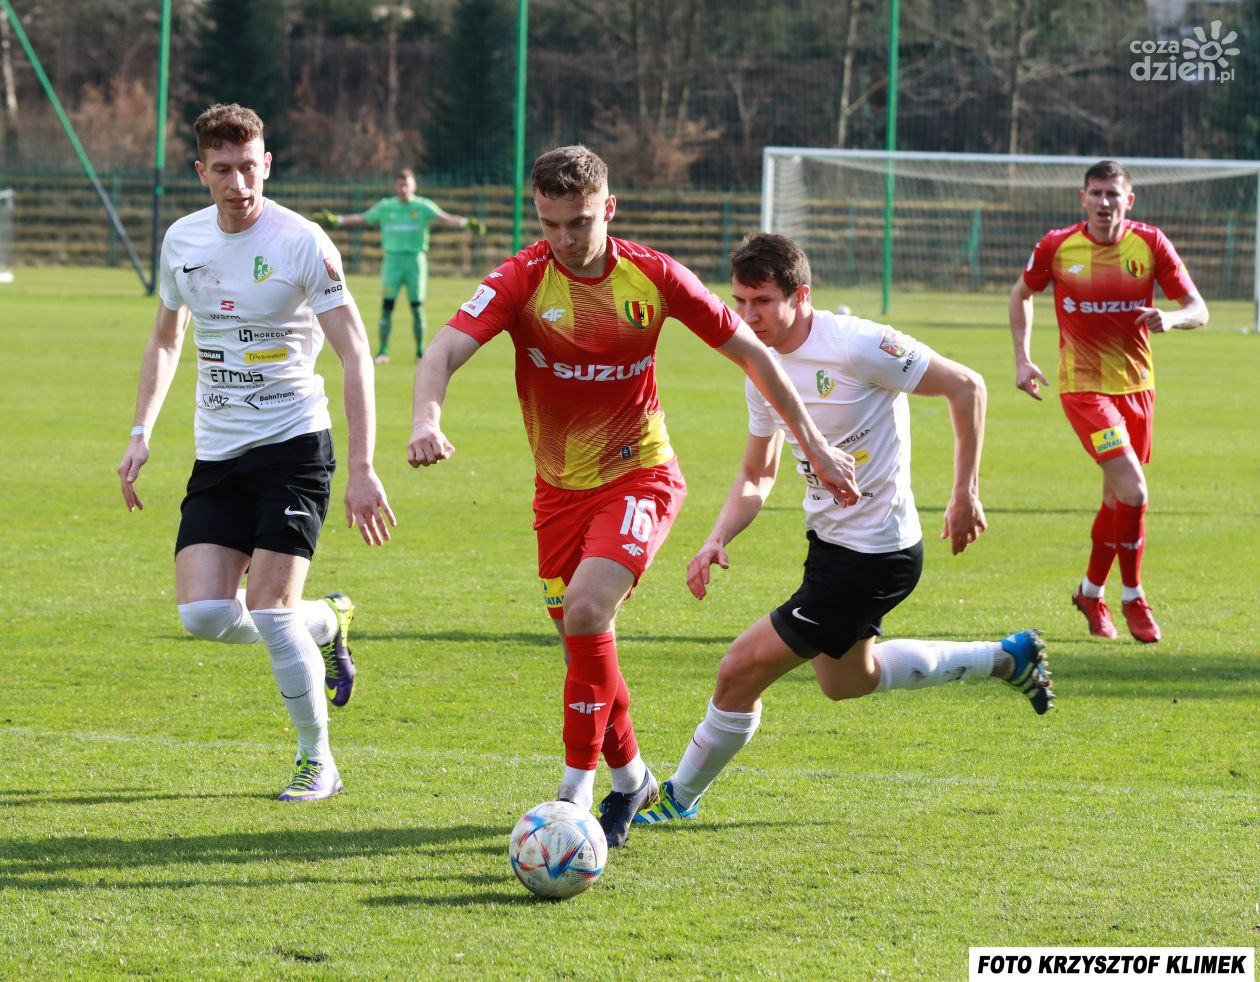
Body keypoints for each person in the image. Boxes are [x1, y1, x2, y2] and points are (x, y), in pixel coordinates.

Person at [407, 146, 860, 847]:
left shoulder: (653, 275)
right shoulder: (521, 279)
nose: (564, 239)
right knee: (583, 645)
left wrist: (816, 445)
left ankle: (573, 794)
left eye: (579, 222)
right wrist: (426, 420)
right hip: (558, 493)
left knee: (588, 610)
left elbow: (752, 352)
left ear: (609, 209)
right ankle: (633, 781)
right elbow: (441, 351)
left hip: (639, 474)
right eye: (550, 223)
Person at [634, 234, 1053, 826]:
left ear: (800, 296)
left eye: (762, 301)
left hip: (875, 554)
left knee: (738, 670)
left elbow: (967, 386)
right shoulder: (760, 366)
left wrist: (965, 492)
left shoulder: (858, 345)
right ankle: (1006, 659)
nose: (747, 316)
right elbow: (757, 473)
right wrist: (717, 537)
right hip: (830, 547)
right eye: (739, 301)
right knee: (847, 680)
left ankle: (678, 798)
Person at [117, 103, 396, 802]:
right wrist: (141, 430)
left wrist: (363, 466)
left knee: (271, 610)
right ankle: (327, 619)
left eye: (249, 167)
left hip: (294, 447)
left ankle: (317, 761)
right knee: (204, 615)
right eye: (223, 169)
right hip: (218, 453)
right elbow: (166, 337)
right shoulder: (183, 240)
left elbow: (354, 352)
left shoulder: (302, 242)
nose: (238, 183)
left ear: (266, 164)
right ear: (201, 171)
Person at [1010, 160, 1208, 643]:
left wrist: (1171, 319)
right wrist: (1023, 358)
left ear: (1128, 200)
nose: (1104, 202)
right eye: (1096, 193)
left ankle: (1089, 593)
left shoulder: (1150, 244)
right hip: (1084, 390)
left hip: (1137, 387)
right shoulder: (1057, 246)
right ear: (1083, 198)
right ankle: (1133, 596)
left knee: (1116, 499)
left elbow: (1198, 309)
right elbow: (1021, 294)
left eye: (1112, 194)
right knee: (1134, 491)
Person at [316, 169, 485, 364]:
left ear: (414, 186)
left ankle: (420, 353)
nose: (403, 189)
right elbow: (363, 217)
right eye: (400, 184)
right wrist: (336, 220)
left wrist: (466, 223)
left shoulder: (422, 206)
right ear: (396, 186)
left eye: (407, 184)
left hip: (415, 261)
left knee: (417, 306)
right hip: (392, 261)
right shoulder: (386, 206)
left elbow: (445, 218)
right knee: (387, 306)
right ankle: (383, 352)